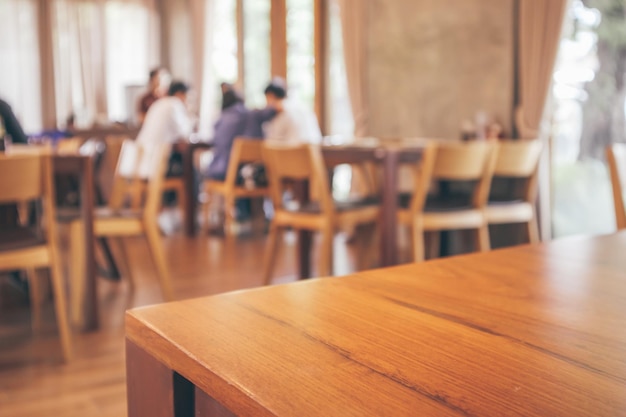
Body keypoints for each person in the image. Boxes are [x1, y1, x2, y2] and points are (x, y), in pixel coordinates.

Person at [136, 80, 193, 179]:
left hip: (138, 163)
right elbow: (185, 134)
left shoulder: (159, 103)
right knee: (189, 168)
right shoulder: (174, 105)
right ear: (180, 94)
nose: (189, 102)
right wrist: (188, 114)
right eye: (189, 98)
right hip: (155, 165)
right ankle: (189, 194)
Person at [262, 77, 322, 144]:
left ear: (271, 96)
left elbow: (271, 140)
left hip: (293, 151)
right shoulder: (303, 107)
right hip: (313, 151)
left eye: (267, 99)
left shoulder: (282, 112)